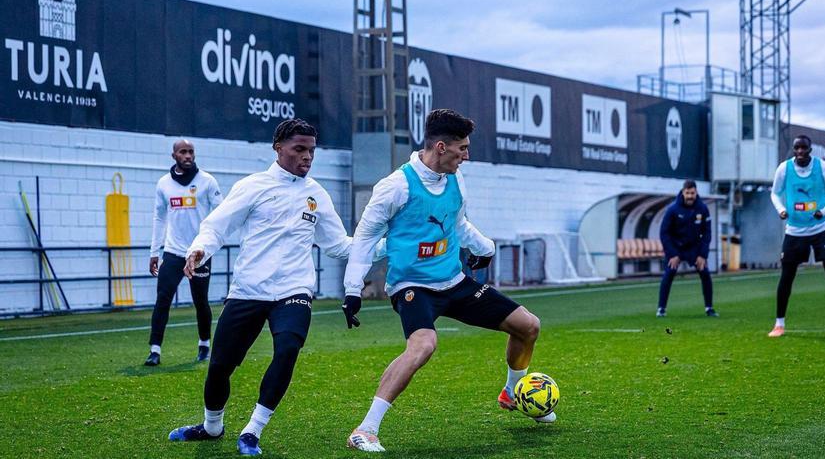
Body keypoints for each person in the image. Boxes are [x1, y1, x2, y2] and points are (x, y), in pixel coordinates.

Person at [167, 119, 384, 456]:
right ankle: (212, 426)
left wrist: (386, 245)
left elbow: (340, 245)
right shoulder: (253, 186)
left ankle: (253, 431)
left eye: (311, 150)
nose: (307, 156)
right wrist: (199, 249)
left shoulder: (317, 194)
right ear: (278, 147)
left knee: (286, 351)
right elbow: (216, 226)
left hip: (294, 291)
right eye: (300, 148)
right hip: (248, 290)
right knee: (220, 366)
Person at [342, 109, 552, 453]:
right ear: (441, 147)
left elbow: (458, 225)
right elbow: (364, 239)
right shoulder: (394, 187)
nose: (466, 156)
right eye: (462, 149)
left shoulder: (456, 179)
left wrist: (485, 247)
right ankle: (365, 430)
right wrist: (353, 290)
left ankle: (511, 392)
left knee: (528, 326)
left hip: (454, 281)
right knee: (424, 345)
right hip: (412, 286)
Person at [146, 139, 223, 366]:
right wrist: (154, 251)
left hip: (199, 253)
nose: (188, 155)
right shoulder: (163, 184)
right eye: (183, 152)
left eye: (191, 152)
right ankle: (155, 350)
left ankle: (204, 345)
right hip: (172, 252)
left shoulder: (207, 182)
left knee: (200, 301)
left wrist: (208, 245)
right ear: (174, 156)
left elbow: (220, 214)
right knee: (162, 300)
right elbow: (159, 218)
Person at [768, 135, 825, 338]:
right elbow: (774, 193)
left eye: (804, 148)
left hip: (822, 227)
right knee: (787, 275)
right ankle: (779, 324)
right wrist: (780, 210)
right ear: (793, 150)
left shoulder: (823, 168)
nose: (801, 151)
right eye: (797, 148)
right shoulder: (783, 169)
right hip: (795, 230)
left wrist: (824, 210)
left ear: (810, 149)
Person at [656, 180, 716, 317]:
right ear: (683, 192)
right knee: (669, 273)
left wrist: (703, 255)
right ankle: (661, 309)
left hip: (694, 248)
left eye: (692, 193)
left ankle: (709, 308)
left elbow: (707, 233)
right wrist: (672, 254)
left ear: (696, 193)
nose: (690, 196)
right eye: (687, 193)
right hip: (676, 248)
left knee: (705, 273)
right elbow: (664, 233)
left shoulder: (702, 209)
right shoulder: (672, 209)